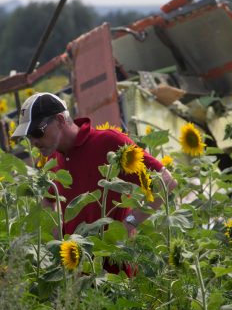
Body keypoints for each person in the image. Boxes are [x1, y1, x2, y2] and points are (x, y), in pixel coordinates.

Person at [11, 92, 177, 273]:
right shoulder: (53, 158)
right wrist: (57, 238)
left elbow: (166, 181)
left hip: (115, 270)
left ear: (59, 120)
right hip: (77, 271)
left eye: (37, 132)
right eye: (28, 136)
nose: (33, 141)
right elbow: (47, 202)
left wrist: (129, 222)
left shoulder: (108, 143)